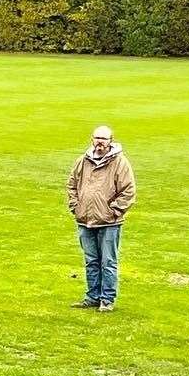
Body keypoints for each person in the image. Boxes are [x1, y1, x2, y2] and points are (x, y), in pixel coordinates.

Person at [67, 124, 135, 312]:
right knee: (91, 261)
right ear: (92, 140)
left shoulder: (120, 163)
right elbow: (72, 184)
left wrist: (114, 211)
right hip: (85, 220)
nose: (99, 142)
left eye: (103, 139)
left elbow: (128, 191)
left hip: (109, 222)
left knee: (108, 262)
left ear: (110, 141)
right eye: (97, 138)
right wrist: (75, 206)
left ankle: (107, 299)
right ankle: (92, 296)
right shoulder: (82, 161)